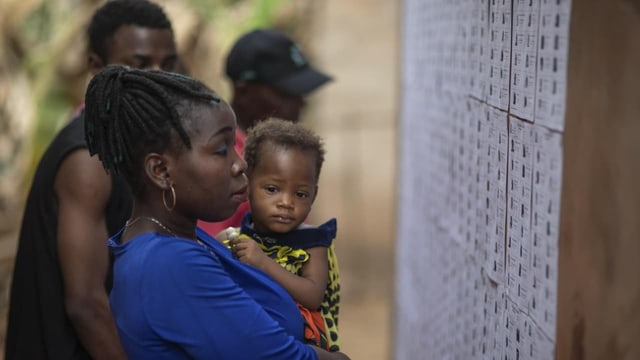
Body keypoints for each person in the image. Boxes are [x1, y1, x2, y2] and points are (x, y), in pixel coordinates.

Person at [84, 65, 348, 360]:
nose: (241, 164)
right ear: (161, 170)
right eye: (221, 149)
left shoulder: (186, 237)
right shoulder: (169, 265)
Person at [5, 1, 178, 359]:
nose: (158, 76)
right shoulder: (88, 158)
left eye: (168, 64)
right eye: (140, 64)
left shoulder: (130, 147)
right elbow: (85, 303)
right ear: (97, 67)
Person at [216, 118, 341, 351]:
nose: (286, 203)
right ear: (248, 185)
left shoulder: (312, 244)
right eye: (272, 190)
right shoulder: (233, 239)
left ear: (314, 196)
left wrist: (263, 263)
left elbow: (313, 295)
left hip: (303, 348)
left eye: (301, 194)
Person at [198, 28, 333, 236]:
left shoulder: (286, 153)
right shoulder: (222, 159)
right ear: (243, 91)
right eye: (286, 93)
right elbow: (210, 247)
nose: (300, 103)